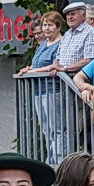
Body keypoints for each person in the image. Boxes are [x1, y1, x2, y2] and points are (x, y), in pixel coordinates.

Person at [20, 12, 69, 164]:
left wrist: (32, 71)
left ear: (58, 26)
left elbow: (54, 65)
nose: (46, 28)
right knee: (46, 129)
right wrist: (29, 68)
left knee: (57, 128)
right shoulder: (42, 44)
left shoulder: (62, 43)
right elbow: (37, 64)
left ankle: (59, 161)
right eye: (44, 25)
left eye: (50, 25)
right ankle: (51, 158)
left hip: (52, 90)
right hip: (38, 91)